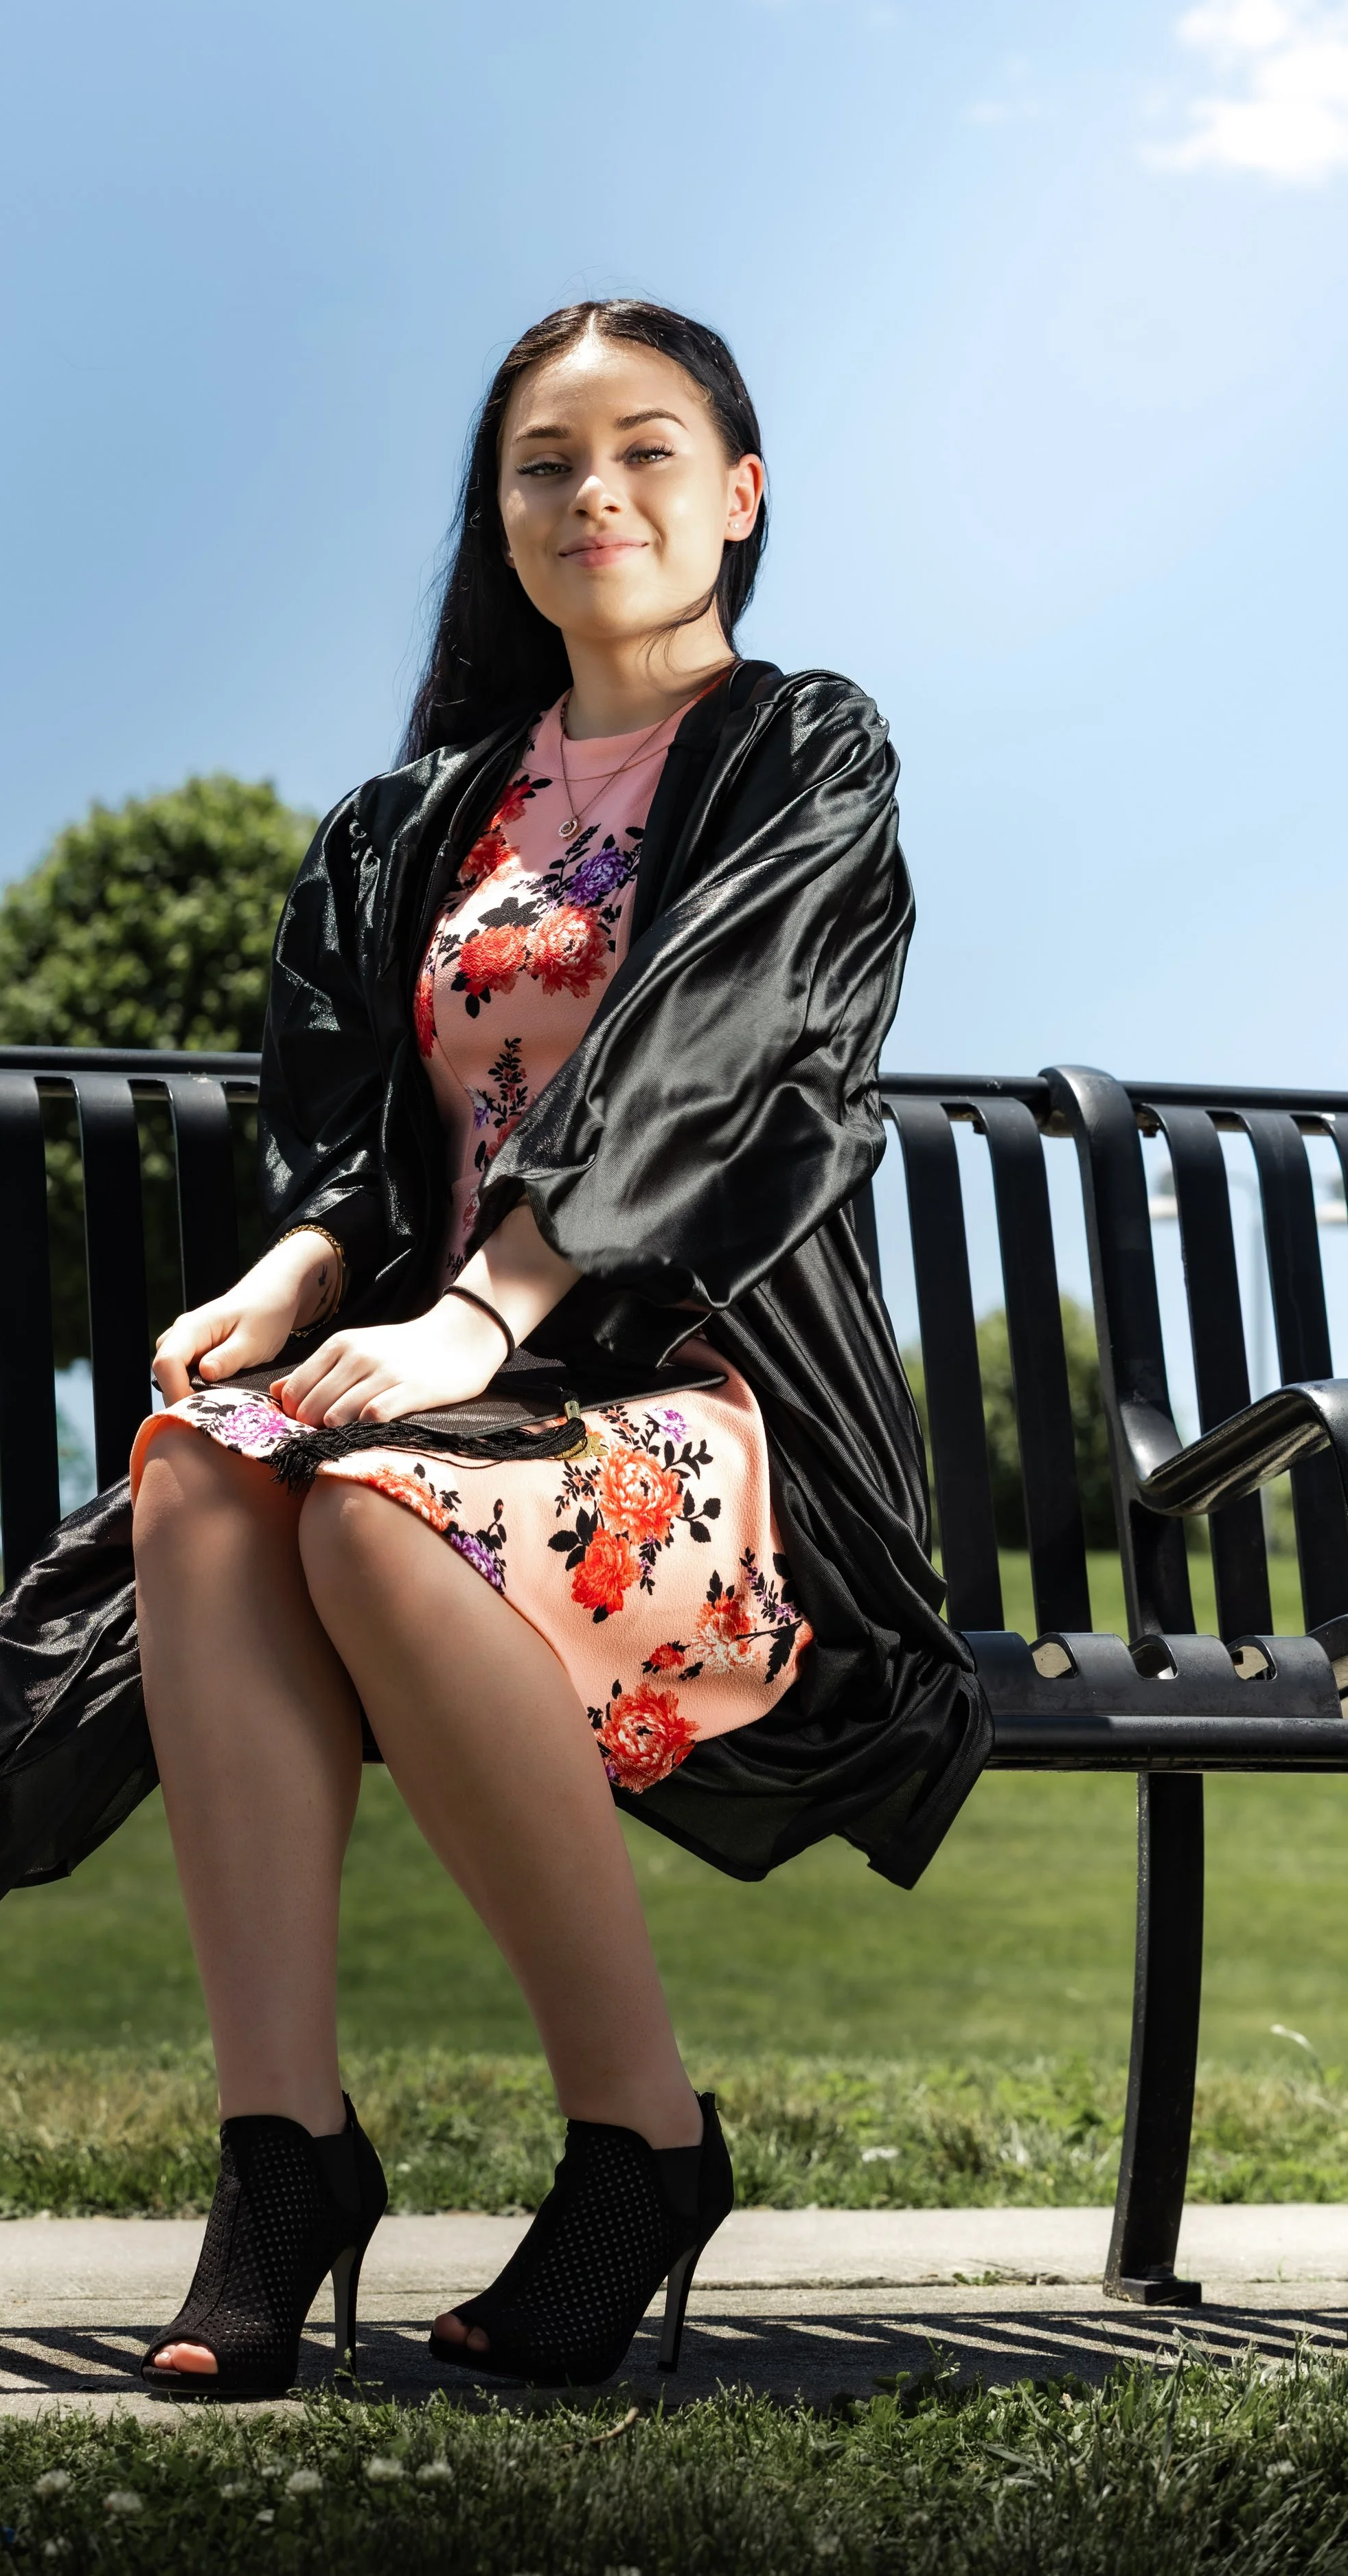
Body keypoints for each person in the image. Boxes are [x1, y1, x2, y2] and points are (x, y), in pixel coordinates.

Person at [124, 299, 990, 2399]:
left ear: (738, 495)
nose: (591, 491)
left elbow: (721, 1068)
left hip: (708, 1406)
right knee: (205, 1481)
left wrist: (485, 1310)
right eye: (542, 461)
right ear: (495, 516)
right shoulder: (414, 819)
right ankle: (284, 2148)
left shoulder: (803, 754)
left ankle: (640, 2136)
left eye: (646, 449)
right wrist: (302, 1271)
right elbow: (359, 1135)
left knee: (365, 1514)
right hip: (448, 1389)